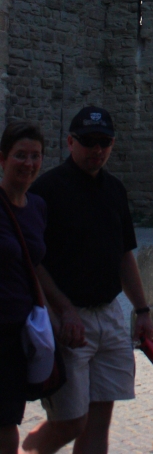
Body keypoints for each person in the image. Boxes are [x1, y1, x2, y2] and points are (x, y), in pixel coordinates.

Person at [23, 106, 153, 454]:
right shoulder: (46, 191)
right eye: (89, 142)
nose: (97, 150)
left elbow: (125, 254)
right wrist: (62, 310)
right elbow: (33, 262)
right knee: (69, 421)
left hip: (108, 314)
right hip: (67, 317)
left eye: (105, 142)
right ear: (70, 142)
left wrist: (142, 310)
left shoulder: (114, 189)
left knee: (99, 421)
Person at [0, 122, 50, 454]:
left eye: (35, 156)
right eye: (20, 155)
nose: (28, 164)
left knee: (6, 423)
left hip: (16, 334)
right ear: (2, 159)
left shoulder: (37, 208)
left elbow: (36, 268)